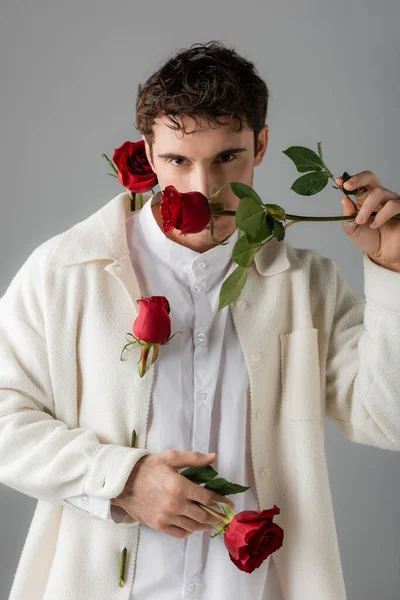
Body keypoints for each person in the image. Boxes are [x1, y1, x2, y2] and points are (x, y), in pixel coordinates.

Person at [1, 40, 400, 600]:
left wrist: (393, 271)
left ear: (260, 144)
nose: (203, 190)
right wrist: (120, 479)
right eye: (178, 160)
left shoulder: (306, 285)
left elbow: (387, 419)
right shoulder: (65, 271)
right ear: (147, 149)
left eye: (226, 158)